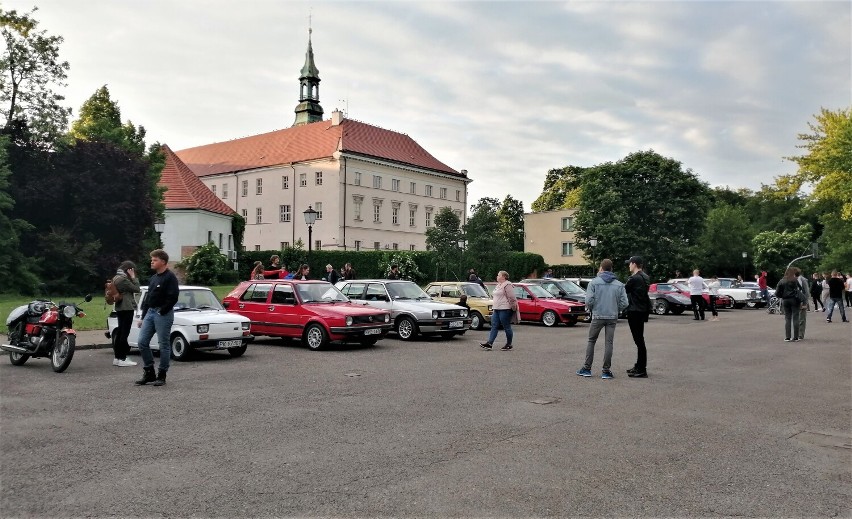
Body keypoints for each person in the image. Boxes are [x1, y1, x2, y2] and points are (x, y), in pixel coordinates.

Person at [576, 259, 629, 379]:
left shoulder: (594, 283)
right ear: (611, 269)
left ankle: (587, 368)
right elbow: (625, 303)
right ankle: (606, 370)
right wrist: (616, 308)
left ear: (601, 268)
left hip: (598, 315)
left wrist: (592, 308)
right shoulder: (619, 284)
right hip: (612, 316)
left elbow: (588, 301)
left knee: (591, 341)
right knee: (609, 343)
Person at [135, 249, 179, 387]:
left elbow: (173, 297)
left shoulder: (170, 277)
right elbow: (148, 299)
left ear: (163, 262)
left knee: (163, 344)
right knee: (142, 342)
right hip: (150, 313)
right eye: (152, 260)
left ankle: (162, 374)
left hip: (163, 314)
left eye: (154, 260)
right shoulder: (153, 278)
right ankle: (149, 372)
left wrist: (162, 311)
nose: (152, 262)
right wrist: (143, 316)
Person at [624, 256, 651, 378]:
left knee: (639, 340)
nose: (629, 265)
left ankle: (641, 369)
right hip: (642, 310)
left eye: (630, 263)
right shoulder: (645, 277)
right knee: (640, 340)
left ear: (634, 264)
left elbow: (624, 290)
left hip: (634, 311)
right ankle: (639, 365)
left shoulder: (634, 278)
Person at [112, 260, 141, 367]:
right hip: (127, 307)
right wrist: (133, 277)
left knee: (120, 332)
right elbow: (136, 289)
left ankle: (117, 358)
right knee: (124, 334)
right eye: (132, 270)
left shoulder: (116, 278)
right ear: (129, 270)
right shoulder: (123, 280)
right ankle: (122, 358)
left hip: (120, 307)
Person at [480, 270, 518, 351]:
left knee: (506, 326)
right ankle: (489, 343)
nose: (497, 276)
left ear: (503, 277)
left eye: (498, 275)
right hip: (496, 308)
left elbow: (512, 298)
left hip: (505, 309)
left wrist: (513, 308)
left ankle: (509, 344)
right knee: (494, 325)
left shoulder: (507, 285)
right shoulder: (498, 285)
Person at [775, 267, 804, 341]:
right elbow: (800, 289)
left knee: (787, 318)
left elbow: (777, 293)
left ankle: (788, 337)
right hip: (794, 299)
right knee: (796, 317)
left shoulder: (781, 281)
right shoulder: (795, 280)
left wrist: (782, 296)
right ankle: (796, 337)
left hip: (785, 300)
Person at [795, 268, 810, 340]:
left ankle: (800, 334)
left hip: (802, 301)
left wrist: (805, 302)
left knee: (802, 318)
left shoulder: (803, 280)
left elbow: (806, 292)